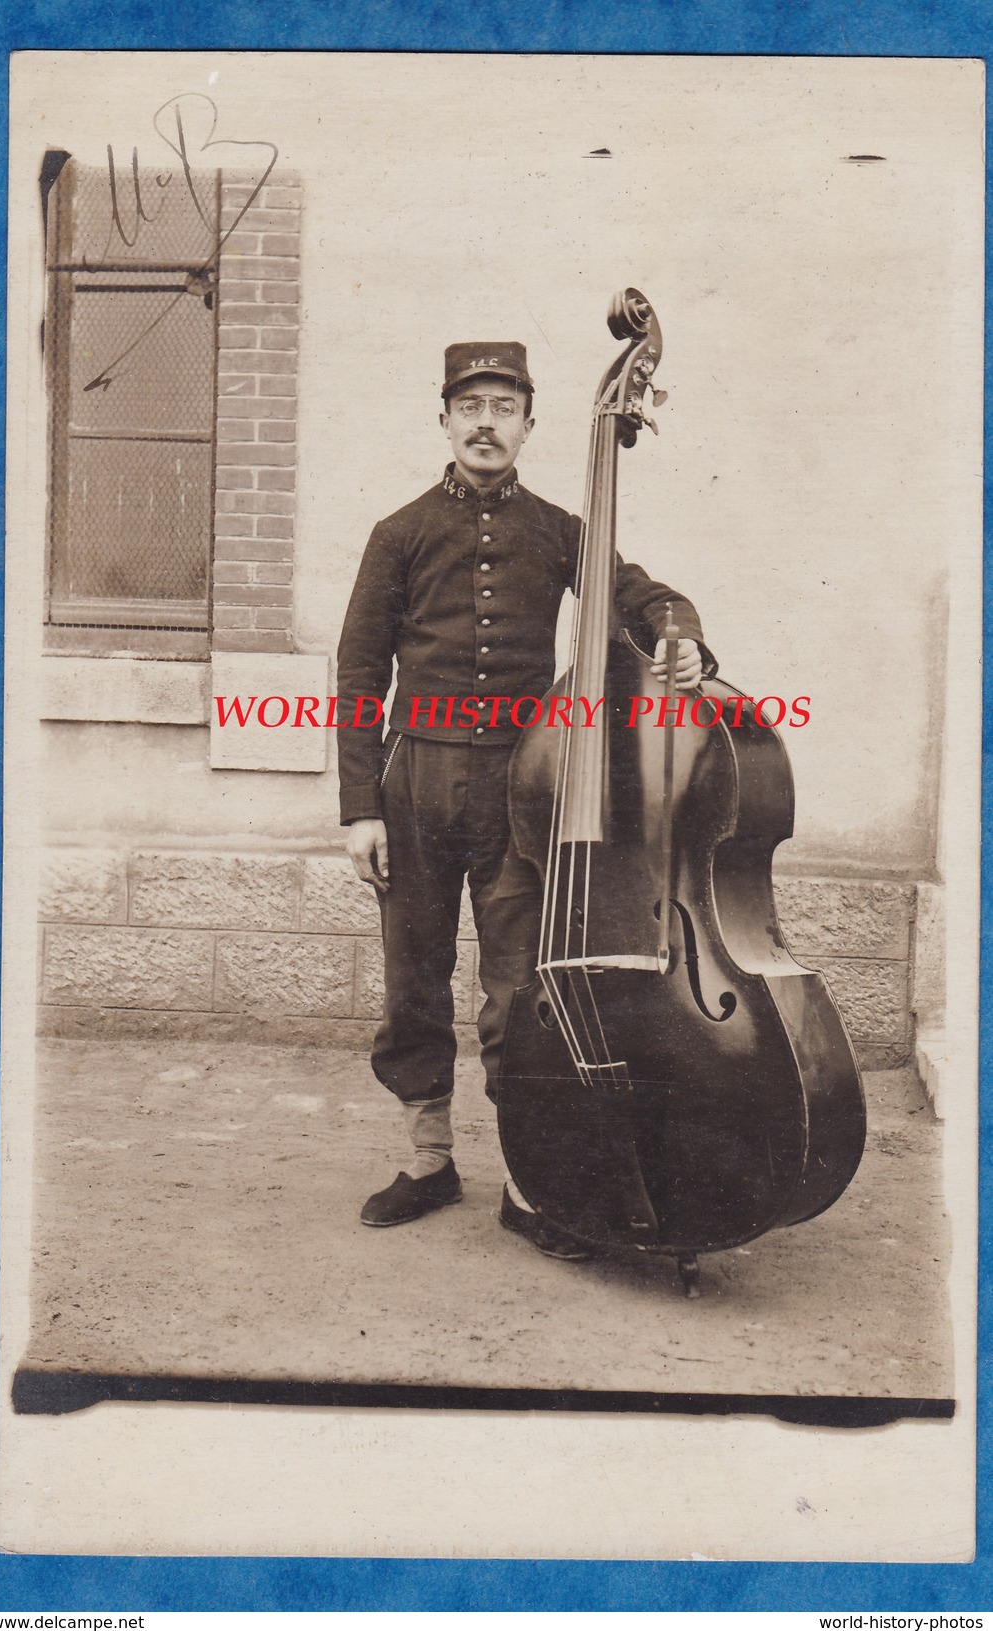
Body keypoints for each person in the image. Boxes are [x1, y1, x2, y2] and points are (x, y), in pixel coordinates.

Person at [337, 341, 713, 1258]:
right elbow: (356, 673)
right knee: (413, 984)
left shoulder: (557, 528)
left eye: (504, 407)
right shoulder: (400, 532)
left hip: (521, 791)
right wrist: (361, 809)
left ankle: (525, 1176)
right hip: (416, 782)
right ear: (444, 420)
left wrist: (682, 633)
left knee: (519, 991)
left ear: (530, 426)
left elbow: (641, 595)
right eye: (470, 405)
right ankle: (428, 1160)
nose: (485, 422)